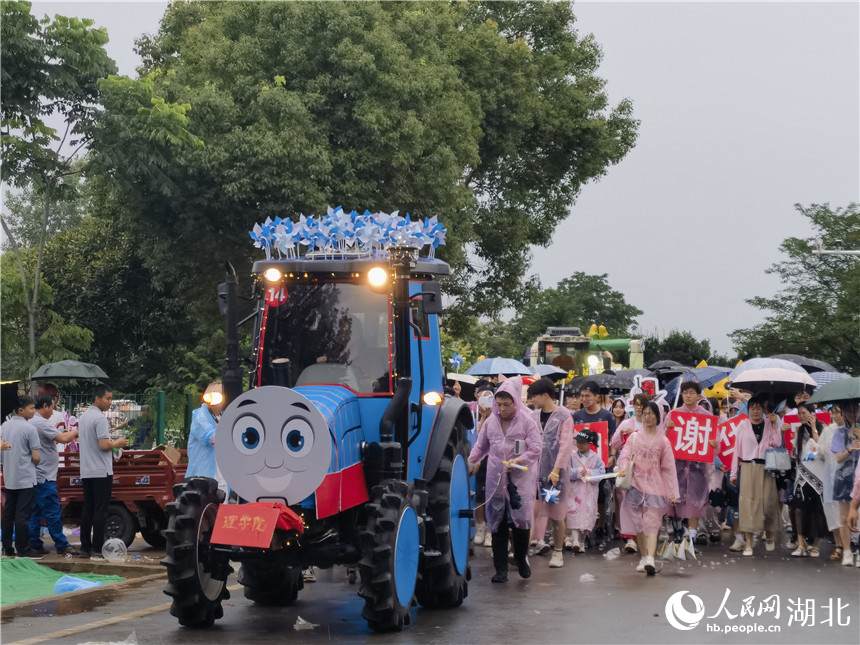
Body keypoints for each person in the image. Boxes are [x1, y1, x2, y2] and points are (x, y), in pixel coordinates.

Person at [468, 377, 541, 583]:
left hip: (520, 478)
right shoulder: (491, 422)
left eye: (506, 405)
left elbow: (536, 448)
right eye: (498, 405)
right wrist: (470, 462)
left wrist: (519, 459)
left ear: (516, 402)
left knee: (520, 521)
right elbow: (480, 448)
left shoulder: (527, 421)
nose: (502, 409)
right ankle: (500, 569)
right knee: (497, 521)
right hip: (496, 477)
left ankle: (520, 558)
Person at [615, 401, 678, 575]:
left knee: (652, 521)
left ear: (658, 416)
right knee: (639, 523)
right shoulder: (634, 437)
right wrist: (623, 468)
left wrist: (672, 491)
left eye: (651, 413)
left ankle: (650, 558)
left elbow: (668, 468)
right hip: (635, 484)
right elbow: (625, 456)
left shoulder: (663, 441)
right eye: (645, 413)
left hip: (655, 486)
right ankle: (644, 557)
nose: (648, 416)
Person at [527, 378, 573, 568]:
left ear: (545, 395)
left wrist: (555, 470)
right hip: (534, 475)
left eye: (534, 396)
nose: (531, 400)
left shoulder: (564, 416)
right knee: (531, 511)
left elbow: (565, 447)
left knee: (555, 514)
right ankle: (530, 547)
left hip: (553, 476)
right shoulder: (533, 416)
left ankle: (558, 551)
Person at [77, 385, 127, 559]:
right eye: (107, 398)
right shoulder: (99, 418)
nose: (110, 402)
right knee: (100, 510)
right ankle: (97, 549)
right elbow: (104, 445)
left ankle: (85, 548)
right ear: (97, 398)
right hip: (101, 471)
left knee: (88, 508)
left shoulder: (83, 417)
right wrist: (118, 443)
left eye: (111, 399)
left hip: (87, 470)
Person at [729, 395, 782, 556]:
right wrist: (733, 474)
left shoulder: (769, 423)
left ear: (763, 410)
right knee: (748, 506)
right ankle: (749, 544)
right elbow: (736, 451)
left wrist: (775, 424)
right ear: (748, 409)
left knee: (768, 503)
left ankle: (770, 534)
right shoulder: (743, 425)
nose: (755, 411)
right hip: (747, 467)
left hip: (766, 467)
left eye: (759, 408)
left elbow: (777, 443)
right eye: (752, 408)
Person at [28, 394, 79, 555]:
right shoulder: (41, 423)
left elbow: (49, 441)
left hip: (35, 475)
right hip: (44, 475)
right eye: (52, 407)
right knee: (52, 510)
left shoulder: (31, 422)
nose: (53, 411)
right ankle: (61, 544)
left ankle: (33, 542)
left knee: (36, 511)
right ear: (45, 406)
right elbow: (64, 439)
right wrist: (78, 429)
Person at [665, 381, 714, 546]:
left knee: (694, 500)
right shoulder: (674, 414)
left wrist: (714, 444)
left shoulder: (706, 415)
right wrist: (667, 428)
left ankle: (692, 538)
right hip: (677, 466)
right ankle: (679, 533)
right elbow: (663, 441)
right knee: (675, 500)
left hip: (697, 467)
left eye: (691, 393)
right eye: (685, 392)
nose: (688, 395)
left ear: (699, 396)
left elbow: (715, 441)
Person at [573, 381, 616, 545]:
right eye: (582, 396)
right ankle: (582, 527)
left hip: (600, 464)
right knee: (581, 495)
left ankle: (600, 526)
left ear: (597, 397)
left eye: (588, 396)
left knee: (601, 496)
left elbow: (612, 440)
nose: (584, 399)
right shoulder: (577, 416)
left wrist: (611, 455)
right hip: (581, 464)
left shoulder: (607, 416)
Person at [1, 396, 42, 558]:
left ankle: (7, 548)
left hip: (10, 478)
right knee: (23, 517)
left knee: (8, 514)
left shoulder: (4, 426)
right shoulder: (30, 429)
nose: (34, 411)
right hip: (26, 479)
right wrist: (33, 464)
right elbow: (36, 457)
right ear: (21, 410)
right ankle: (23, 550)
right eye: (31, 408)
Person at [611, 393, 648, 553]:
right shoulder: (627, 422)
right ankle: (630, 537)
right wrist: (621, 433)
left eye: (642, 404)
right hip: (628, 467)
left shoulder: (651, 423)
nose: (639, 407)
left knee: (645, 503)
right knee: (628, 502)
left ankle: (644, 536)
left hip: (646, 469)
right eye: (636, 404)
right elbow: (614, 443)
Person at [788, 403, 827, 557]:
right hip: (802, 475)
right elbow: (795, 453)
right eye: (799, 413)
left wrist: (814, 429)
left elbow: (819, 449)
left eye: (804, 413)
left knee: (817, 511)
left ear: (812, 413)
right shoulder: (800, 430)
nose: (801, 416)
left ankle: (816, 545)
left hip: (818, 476)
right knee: (798, 509)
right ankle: (800, 544)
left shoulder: (822, 428)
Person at [567, 430, 605, 552]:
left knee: (587, 517)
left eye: (583, 443)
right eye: (578, 442)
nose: (580, 445)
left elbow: (601, 473)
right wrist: (578, 472)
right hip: (575, 492)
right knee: (573, 514)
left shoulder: (596, 458)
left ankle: (582, 542)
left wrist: (589, 473)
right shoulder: (572, 456)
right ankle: (575, 541)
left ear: (589, 443)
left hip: (589, 493)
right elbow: (566, 471)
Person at [832, 401, 860, 566]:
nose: (851, 413)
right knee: (844, 516)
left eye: (854, 409)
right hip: (845, 475)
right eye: (848, 410)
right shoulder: (840, 433)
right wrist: (850, 449)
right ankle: (847, 551)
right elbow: (837, 458)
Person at [817, 404, 846, 562]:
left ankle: (849, 545)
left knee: (847, 511)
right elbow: (820, 451)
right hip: (829, 475)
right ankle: (839, 545)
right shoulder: (828, 431)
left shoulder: (853, 429)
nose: (835, 416)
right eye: (832, 413)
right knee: (832, 511)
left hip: (847, 476)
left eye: (838, 413)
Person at [470, 383, 495, 547]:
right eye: (483, 397)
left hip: (496, 461)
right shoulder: (474, 415)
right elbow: (479, 438)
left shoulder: (499, 416)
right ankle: (481, 527)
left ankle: (492, 531)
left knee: (493, 497)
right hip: (480, 459)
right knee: (480, 496)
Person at [186, 382, 226, 483]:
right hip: (202, 480)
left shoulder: (225, 415)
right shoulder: (200, 416)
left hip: (222, 479)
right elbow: (211, 437)